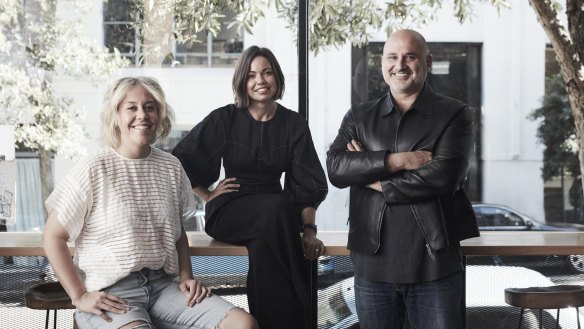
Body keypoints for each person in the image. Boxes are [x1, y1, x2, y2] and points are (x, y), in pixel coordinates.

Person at [43, 76, 258, 329]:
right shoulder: (94, 167)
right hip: (112, 293)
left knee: (244, 324)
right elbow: (52, 236)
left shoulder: (171, 166)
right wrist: (79, 296)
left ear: (159, 114)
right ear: (116, 115)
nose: (142, 115)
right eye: (131, 108)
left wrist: (187, 277)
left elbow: (177, 234)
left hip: (162, 287)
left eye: (150, 107)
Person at [326, 29, 479, 329]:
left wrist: (371, 177)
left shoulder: (454, 114)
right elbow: (336, 167)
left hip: (434, 267)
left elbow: (445, 176)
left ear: (428, 62)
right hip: (372, 269)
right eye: (393, 57)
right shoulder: (359, 116)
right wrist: (399, 161)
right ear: (382, 63)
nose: (401, 65)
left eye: (410, 56)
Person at [172, 45, 328, 329]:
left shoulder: (293, 123)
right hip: (230, 209)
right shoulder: (225, 118)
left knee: (265, 250)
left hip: (274, 220)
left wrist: (308, 231)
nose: (260, 80)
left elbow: (308, 183)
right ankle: (303, 316)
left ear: (277, 78)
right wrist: (207, 194)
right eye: (252, 75)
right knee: (280, 207)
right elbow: (179, 160)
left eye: (267, 73)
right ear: (243, 82)